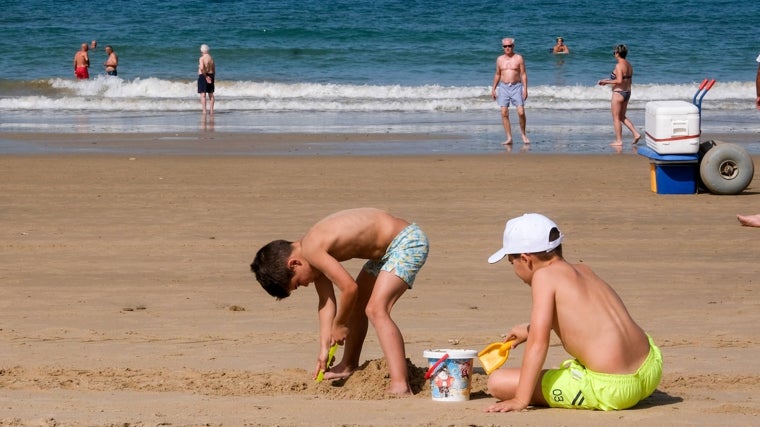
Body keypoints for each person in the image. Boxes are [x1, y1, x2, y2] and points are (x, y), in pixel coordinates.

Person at [484, 213, 662, 412]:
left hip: (614, 388)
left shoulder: (543, 277)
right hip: (650, 368)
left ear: (526, 259)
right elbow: (581, 315)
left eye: (511, 262)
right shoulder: (583, 270)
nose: (514, 269)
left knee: (498, 382)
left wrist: (520, 399)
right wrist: (530, 328)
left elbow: (538, 344)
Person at [250, 208, 429, 395]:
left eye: (298, 283)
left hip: (407, 242)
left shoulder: (312, 249)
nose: (305, 285)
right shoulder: (310, 253)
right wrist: (324, 348)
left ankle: (400, 384)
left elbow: (349, 288)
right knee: (357, 306)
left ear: (294, 264)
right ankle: (348, 364)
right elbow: (326, 302)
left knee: (376, 309)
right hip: (385, 253)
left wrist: (340, 324)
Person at [597, 44, 642, 147]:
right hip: (627, 92)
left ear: (617, 53)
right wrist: (607, 80)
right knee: (622, 116)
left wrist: (605, 81)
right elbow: (626, 80)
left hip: (618, 93)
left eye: (614, 53)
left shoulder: (618, 65)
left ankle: (619, 141)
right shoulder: (629, 65)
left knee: (616, 118)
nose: (614, 54)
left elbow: (619, 80)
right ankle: (636, 133)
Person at [491, 37, 530, 145]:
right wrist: (493, 88)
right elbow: (498, 74)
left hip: (517, 87)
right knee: (504, 113)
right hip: (503, 87)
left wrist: (525, 89)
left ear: (513, 46)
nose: (507, 48)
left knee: (521, 112)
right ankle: (509, 138)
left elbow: (523, 74)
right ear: (503, 47)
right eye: (505, 46)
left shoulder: (519, 58)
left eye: (509, 46)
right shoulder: (499, 59)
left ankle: (523, 134)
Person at [198, 44, 216, 115]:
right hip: (211, 75)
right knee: (211, 94)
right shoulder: (211, 58)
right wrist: (211, 77)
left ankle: (204, 111)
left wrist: (206, 76)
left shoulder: (201, 58)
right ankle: (211, 110)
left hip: (203, 76)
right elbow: (214, 69)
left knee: (203, 94)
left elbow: (202, 68)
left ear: (202, 50)